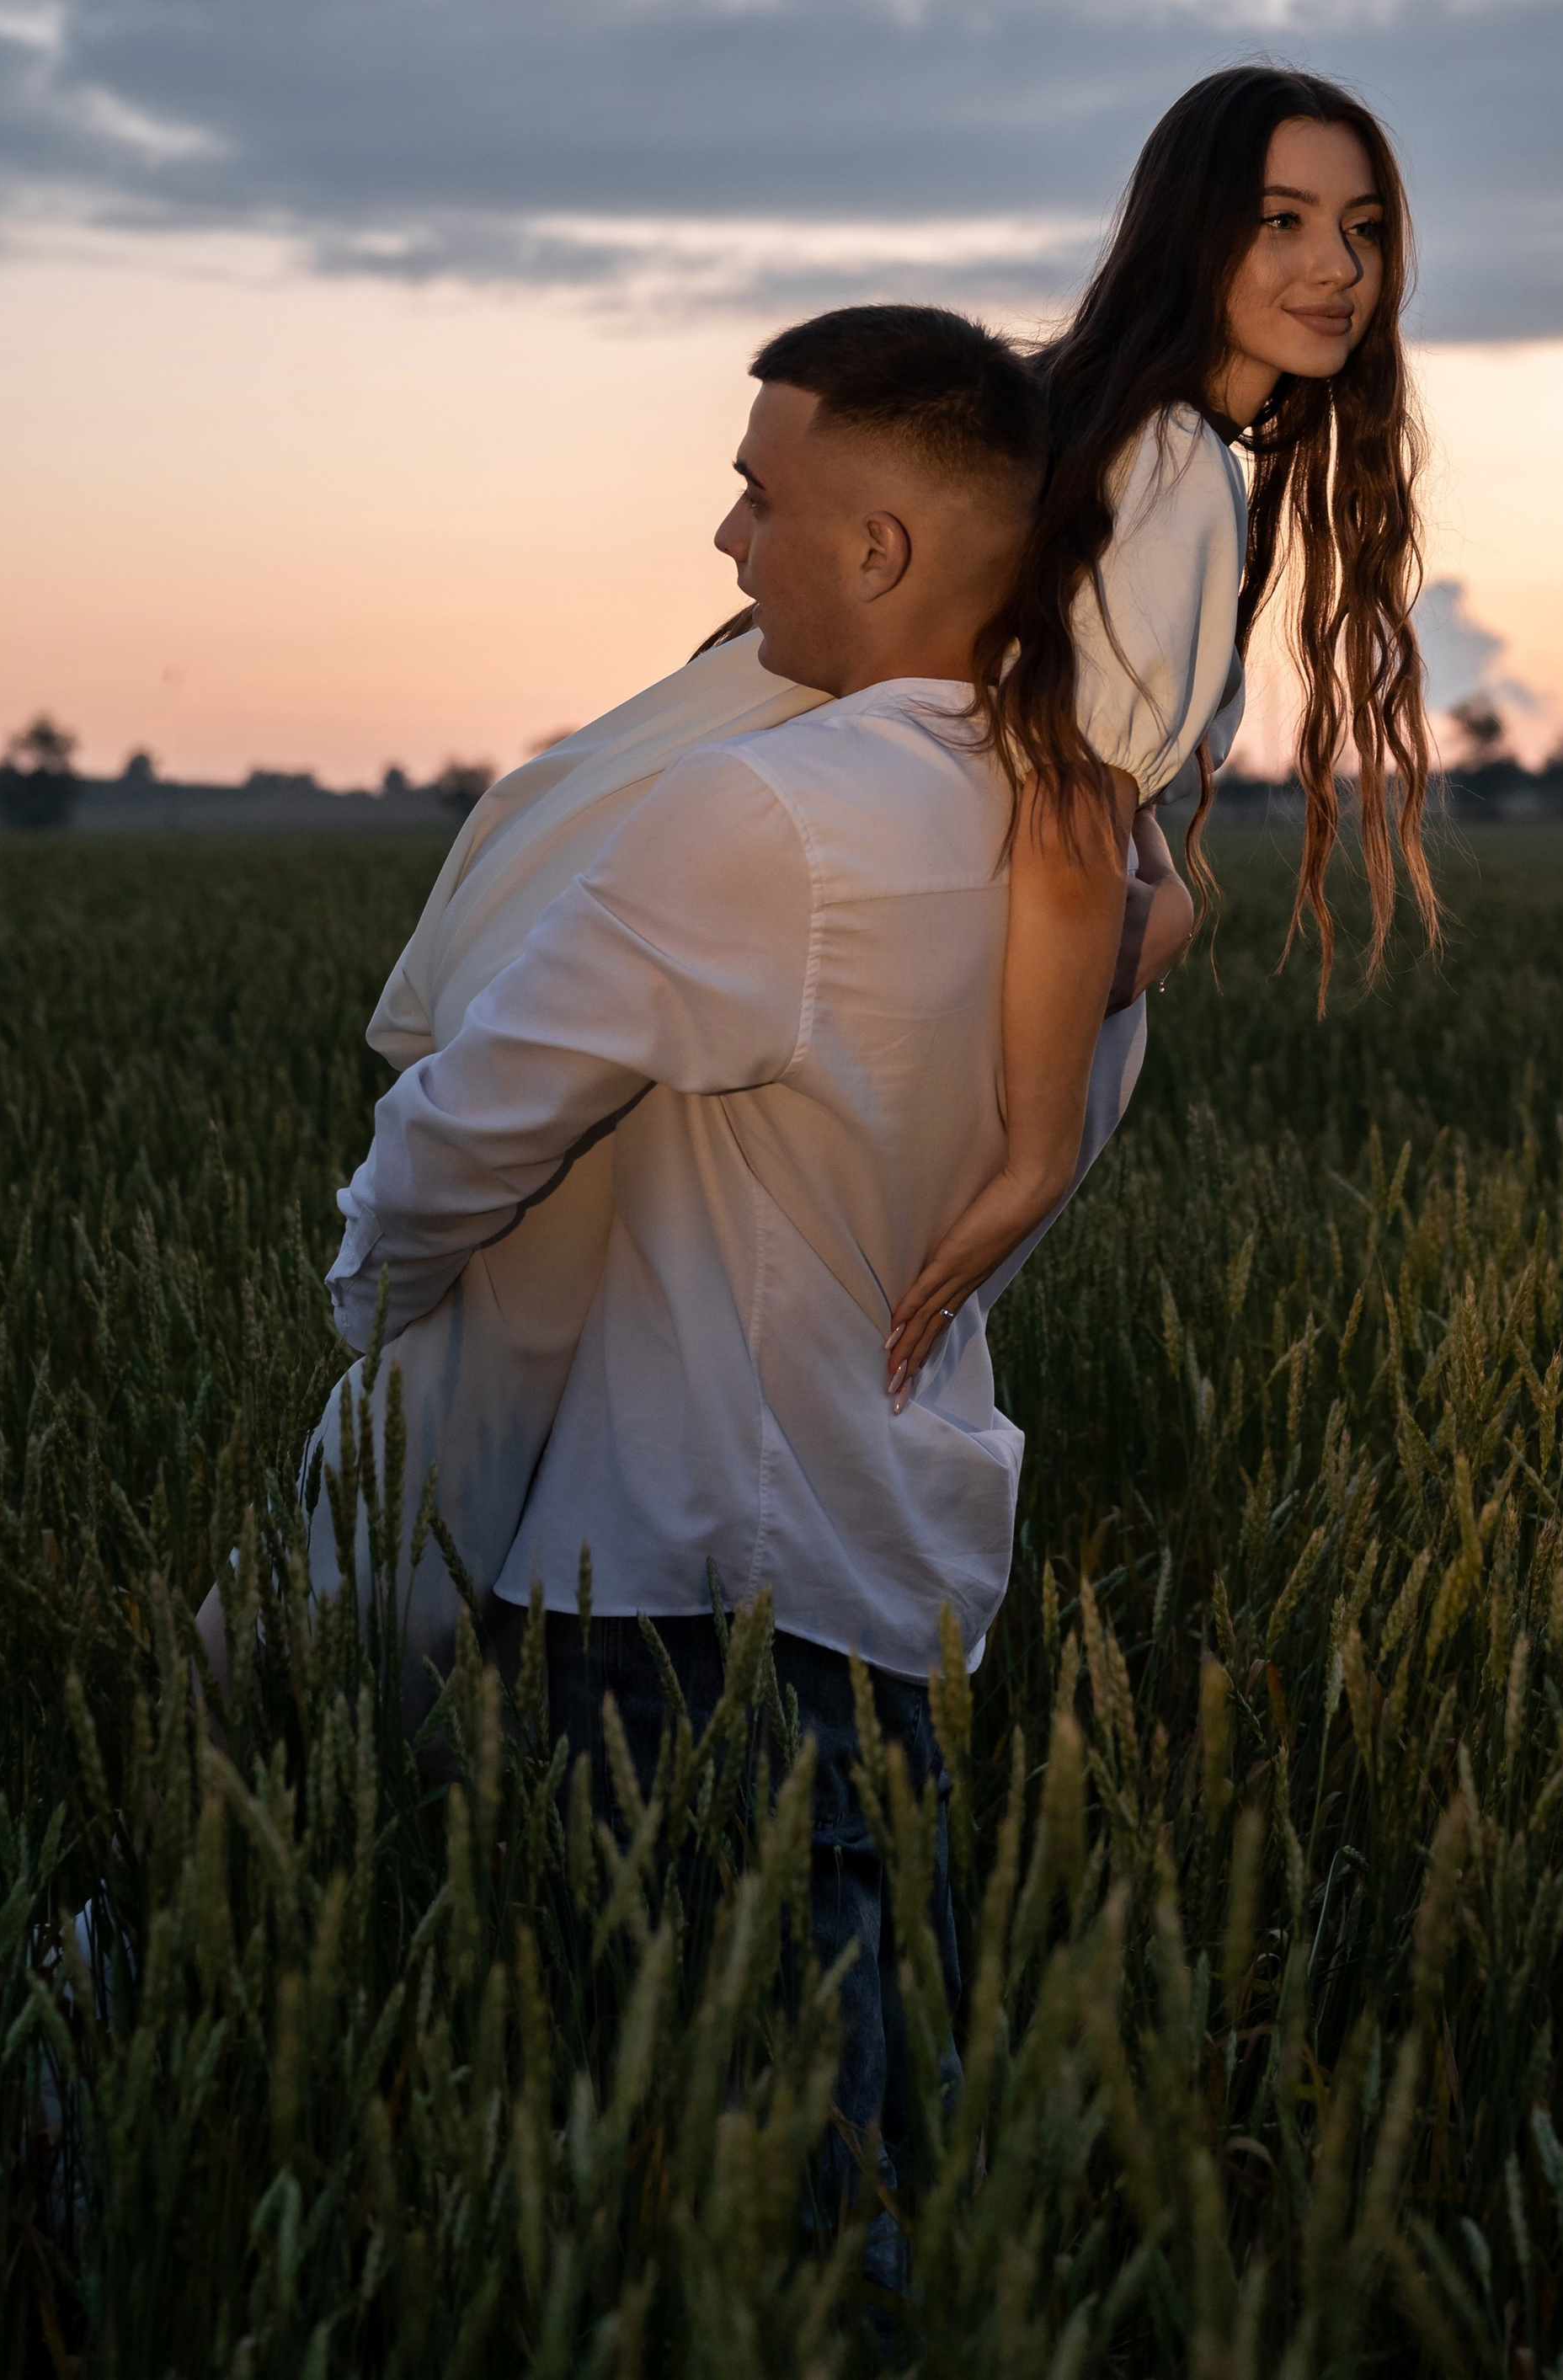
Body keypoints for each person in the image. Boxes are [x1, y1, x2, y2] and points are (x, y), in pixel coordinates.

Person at [241, 60, 1434, 1705]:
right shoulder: (1172, 465)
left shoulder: (1071, 424)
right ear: (1189, 232)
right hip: (831, 1030)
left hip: (732, 994)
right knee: (498, 1505)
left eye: (1361, 228)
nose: (1334, 269)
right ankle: (235, 1863)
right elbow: (1059, 826)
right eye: (1282, 220)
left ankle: (261, 1852)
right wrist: (1033, 1138)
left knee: (460, 1478)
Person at [324, 304, 1053, 2223]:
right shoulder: (1075, 845)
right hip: (901, 1565)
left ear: (879, 548)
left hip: (678, 1589)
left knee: (731, 2204)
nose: (729, 545)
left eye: (757, 494)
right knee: (879, 2144)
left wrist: (381, 1328)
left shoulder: (761, 814)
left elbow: (463, 1132)